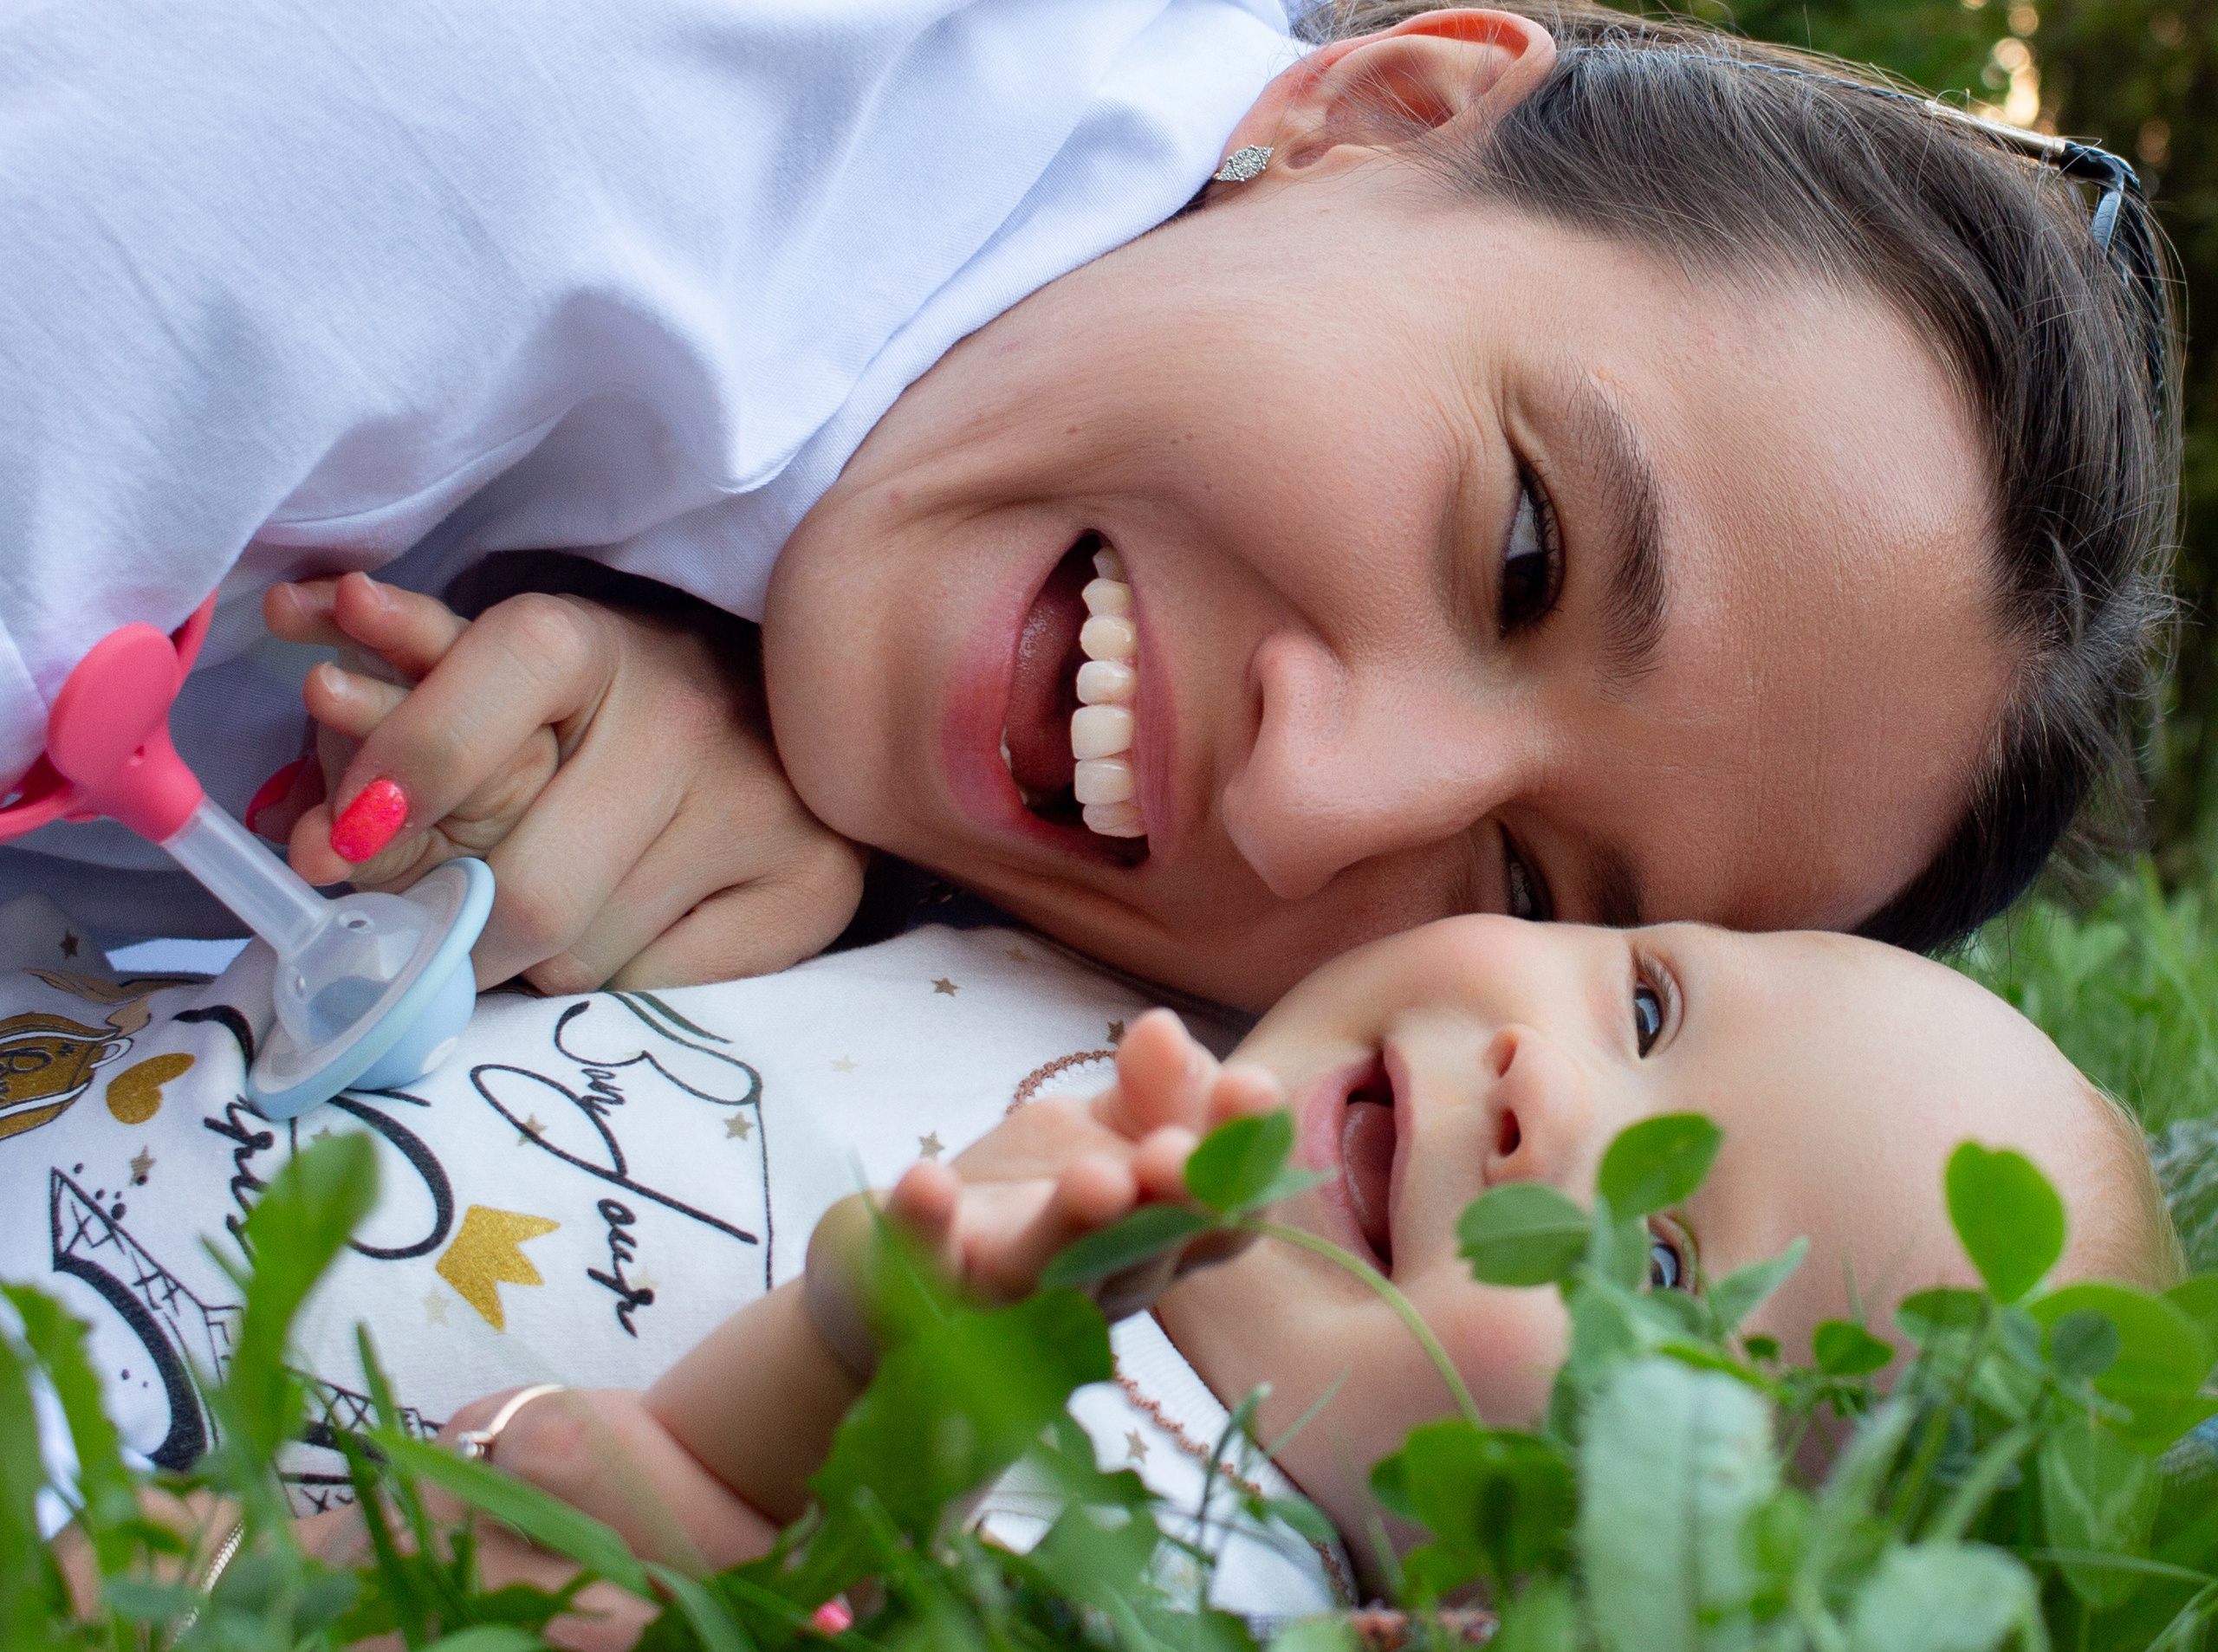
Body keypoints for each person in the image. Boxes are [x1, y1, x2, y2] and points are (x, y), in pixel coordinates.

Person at [0, 1, 2178, 1006]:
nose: (1312, 811)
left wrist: (778, 761)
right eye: (1521, 552)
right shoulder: (552, 89)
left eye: (1519, 889)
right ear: (1376, 107)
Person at [251, 910, 2173, 1647]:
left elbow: (643, 1575)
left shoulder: (1177, 1575)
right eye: (1648, 1001)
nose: (1543, 1090)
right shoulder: (1074, 952)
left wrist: (875, 1356)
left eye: (1662, 1266)